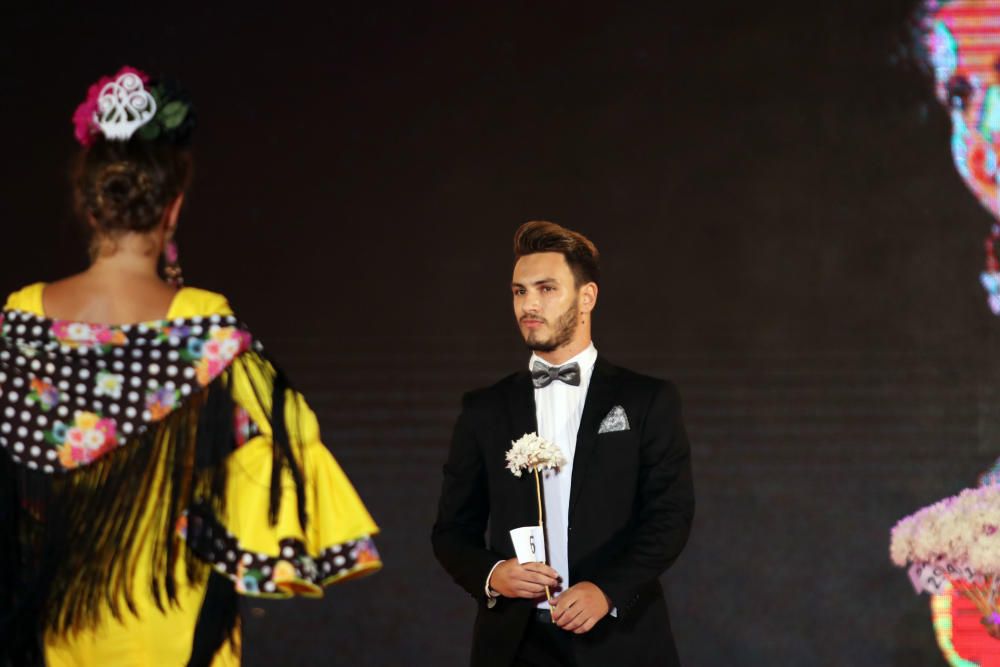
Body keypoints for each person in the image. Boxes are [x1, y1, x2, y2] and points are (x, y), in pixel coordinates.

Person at [0, 66, 381, 667]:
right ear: (172, 210)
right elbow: (290, 442)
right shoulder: (204, 326)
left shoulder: (19, 319)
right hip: (175, 626)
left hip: (52, 631)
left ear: (90, 206)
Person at [432, 221, 695, 667]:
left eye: (546, 288)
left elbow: (669, 517)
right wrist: (495, 575)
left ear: (587, 297)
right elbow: (451, 533)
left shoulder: (646, 399)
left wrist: (606, 590)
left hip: (621, 639)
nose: (528, 304)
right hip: (515, 647)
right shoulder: (485, 408)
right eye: (519, 292)